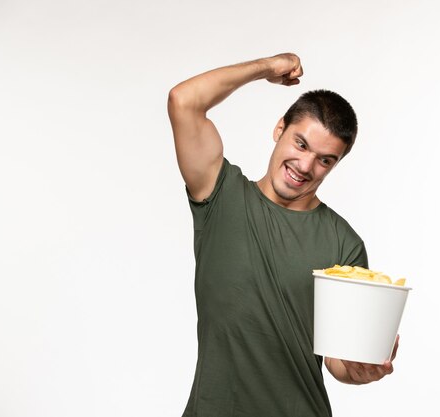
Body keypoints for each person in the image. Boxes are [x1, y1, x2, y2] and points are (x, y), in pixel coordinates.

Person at [168, 53, 399, 417]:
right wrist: (266, 68)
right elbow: (184, 101)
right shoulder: (220, 194)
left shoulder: (344, 243)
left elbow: (339, 361)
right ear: (280, 129)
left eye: (325, 159)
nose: (305, 166)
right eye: (301, 144)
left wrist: (360, 370)